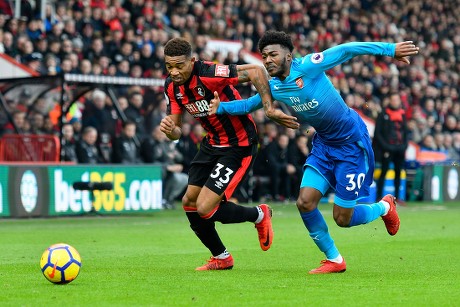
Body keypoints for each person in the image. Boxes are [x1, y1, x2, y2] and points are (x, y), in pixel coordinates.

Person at [210, 30, 419, 274]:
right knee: (305, 202)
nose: (267, 60)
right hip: (324, 145)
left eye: (273, 54)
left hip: (352, 144)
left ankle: (384, 208)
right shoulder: (275, 86)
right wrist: (220, 107)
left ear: (289, 56)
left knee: (343, 218)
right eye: (264, 56)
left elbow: (346, 49)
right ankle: (335, 259)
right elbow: (249, 104)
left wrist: (390, 50)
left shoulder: (309, 66)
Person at [160, 37, 299, 271]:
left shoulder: (209, 72)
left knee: (205, 208)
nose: (173, 71)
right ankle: (221, 257)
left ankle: (259, 214)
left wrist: (268, 108)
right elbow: (176, 131)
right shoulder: (172, 87)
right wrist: (170, 131)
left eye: (179, 65)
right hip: (211, 143)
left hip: (239, 144)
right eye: (168, 66)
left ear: (192, 61)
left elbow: (255, 71)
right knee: (189, 202)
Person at [373, 92, 409, 200]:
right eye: (393, 100)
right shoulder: (383, 114)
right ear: (390, 101)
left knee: (398, 172)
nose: (395, 102)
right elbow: (377, 133)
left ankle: (398, 198)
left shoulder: (402, 114)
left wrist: (405, 145)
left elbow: (406, 132)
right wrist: (386, 147)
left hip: (399, 149)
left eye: (397, 100)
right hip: (387, 149)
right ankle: (379, 197)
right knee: (384, 172)